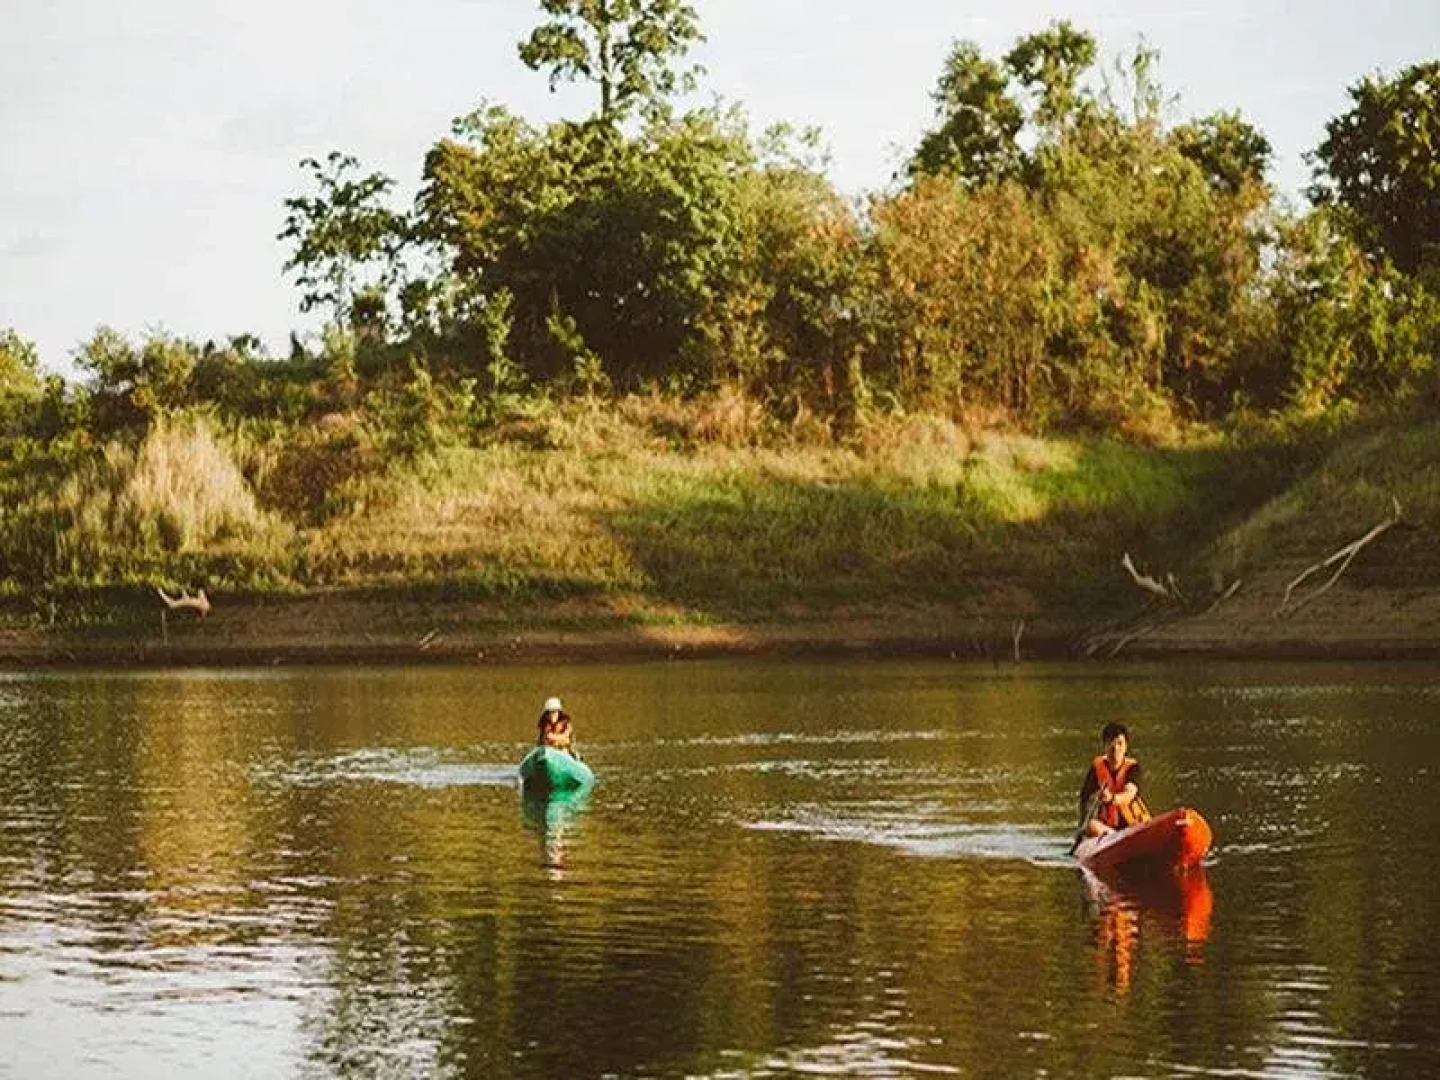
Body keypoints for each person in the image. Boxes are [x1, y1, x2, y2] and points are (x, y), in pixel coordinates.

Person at [1078, 722, 1149, 838]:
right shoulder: (1097, 768)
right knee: (1091, 825)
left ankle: (1119, 837)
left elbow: (1130, 794)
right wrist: (1081, 825)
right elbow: (1084, 798)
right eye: (1111, 743)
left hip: (1133, 825)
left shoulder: (1133, 768)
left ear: (1126, 747)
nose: (1115, 748)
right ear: (1104, 746)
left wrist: (1111, 798)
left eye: (1120, 744)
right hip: (1108, 828)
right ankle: (1112, 837)